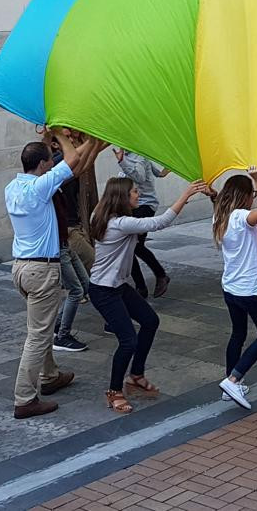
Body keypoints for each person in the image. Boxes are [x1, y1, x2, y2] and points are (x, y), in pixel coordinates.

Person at [5, 130, 105, 419]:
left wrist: (95, 142)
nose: (54, 163)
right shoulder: (40, 188)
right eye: (50, 160)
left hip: (21, 268)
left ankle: (49, 376)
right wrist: (60, 135)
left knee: (40, 326)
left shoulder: (13, 187)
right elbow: (73, 159)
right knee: (37, 336)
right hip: (41, 269)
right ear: (42, 165)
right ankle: (24, 398)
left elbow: (76, 163)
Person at [88, 176, 205, 414]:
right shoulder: (119, 223)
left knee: (150, 321)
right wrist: (186, 194)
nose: (137, 194)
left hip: (118, 286)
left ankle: (136, 375)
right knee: (128, 340)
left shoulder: (107, 218)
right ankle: (114, 392)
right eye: (133, 191)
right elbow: (159, 223)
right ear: (122, 196)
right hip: (104, 290)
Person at [213, 167, 257, 409]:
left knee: (238, 334)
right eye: (251, 193)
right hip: (250, 290)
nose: (253, 197)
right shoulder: (240, 216)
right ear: (243, 196)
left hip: (231, 289)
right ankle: (233, 378)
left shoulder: (220, 217)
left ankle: (231, 385)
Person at [50, 142, 93, 353]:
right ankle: (62, 336)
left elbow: (81, 165)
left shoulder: (54, 181)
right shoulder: (48, 181)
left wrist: (97, 143)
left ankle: (57, 323)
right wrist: (94, 141)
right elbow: (75, 160)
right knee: (76, 290)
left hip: (65, 243)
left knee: (85, 285)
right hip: (60, 244)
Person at [115, 149, 171, 298]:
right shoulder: (133, 155)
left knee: (135, 246)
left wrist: (122, 162)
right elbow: (157, 173)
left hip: (144, 205)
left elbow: (139, 177)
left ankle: (156, 278)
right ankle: (143, 285)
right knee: (130, 247)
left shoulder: (139, 157)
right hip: (133, 206)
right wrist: (164, 171)